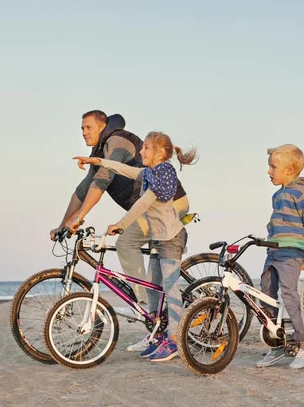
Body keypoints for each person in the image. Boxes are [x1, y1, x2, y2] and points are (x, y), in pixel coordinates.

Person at [49, 110, 189, 352]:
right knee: (152, 273)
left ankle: (146, 307)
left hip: (168, 208)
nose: (83, 132)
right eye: (81, 128)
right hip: (150, 217)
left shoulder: (117, 141)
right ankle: (155, 320)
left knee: (126, 243)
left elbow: (104, 182)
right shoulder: (103, 151)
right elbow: (83, 190)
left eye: (88, 127)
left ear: (103, 126)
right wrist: (64, 224)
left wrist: (89, 220)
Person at [74, 131, 197, 362]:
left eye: (146, 148)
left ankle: (174, 339)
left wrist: (120, 225)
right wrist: (98, 161)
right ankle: (159, 334)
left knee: (170, 290)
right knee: (152, 288)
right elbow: (126, 170)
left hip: (171, 239)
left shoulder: (162, 177)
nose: (141, 151)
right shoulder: (149, 172)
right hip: (159, 239)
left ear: (160, 153)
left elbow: (142, 204)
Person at [256, 144, 304, 370]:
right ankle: (276, 345)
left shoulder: (303, 192)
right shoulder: (277, 195)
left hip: (292, 252)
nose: (269, 171)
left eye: (273, 167)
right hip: (273, 252)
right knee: (265, 296)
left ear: (290, 169)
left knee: (289, 294)